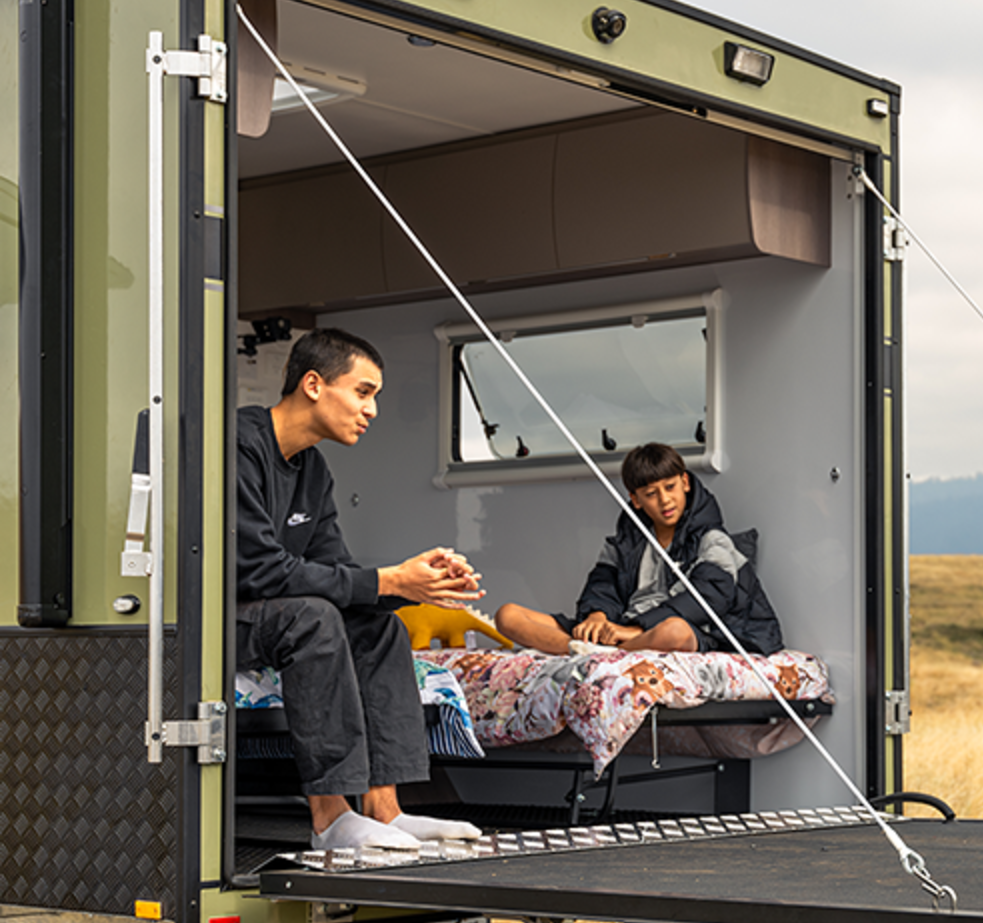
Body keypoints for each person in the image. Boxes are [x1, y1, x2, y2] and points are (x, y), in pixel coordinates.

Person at [237, 327, 486, 852]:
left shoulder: (313, 469)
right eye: (363, 391)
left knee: (378, 627)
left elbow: (337, 573)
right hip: (214, 617)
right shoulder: (239, 445)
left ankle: (385, 810)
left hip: (270, 615)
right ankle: (330, 819)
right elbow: (255, 569)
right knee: (314, 618)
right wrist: (388, 579)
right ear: (313, 384)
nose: (371, 410)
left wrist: (416, 585)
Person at [495, 442, 783, 656]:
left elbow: (709, 598)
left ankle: (607, 653)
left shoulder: (713, 539)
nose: (665, 500)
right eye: (651, 494)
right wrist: (597, 616)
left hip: (693, 630)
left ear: (684, 483)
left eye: (670, 487)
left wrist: (635, 630)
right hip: (621, 627)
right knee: (507, 615)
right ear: (636, 500)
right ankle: (581, 650)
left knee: (674, 631)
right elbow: (602, 585)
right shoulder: (625, 541)